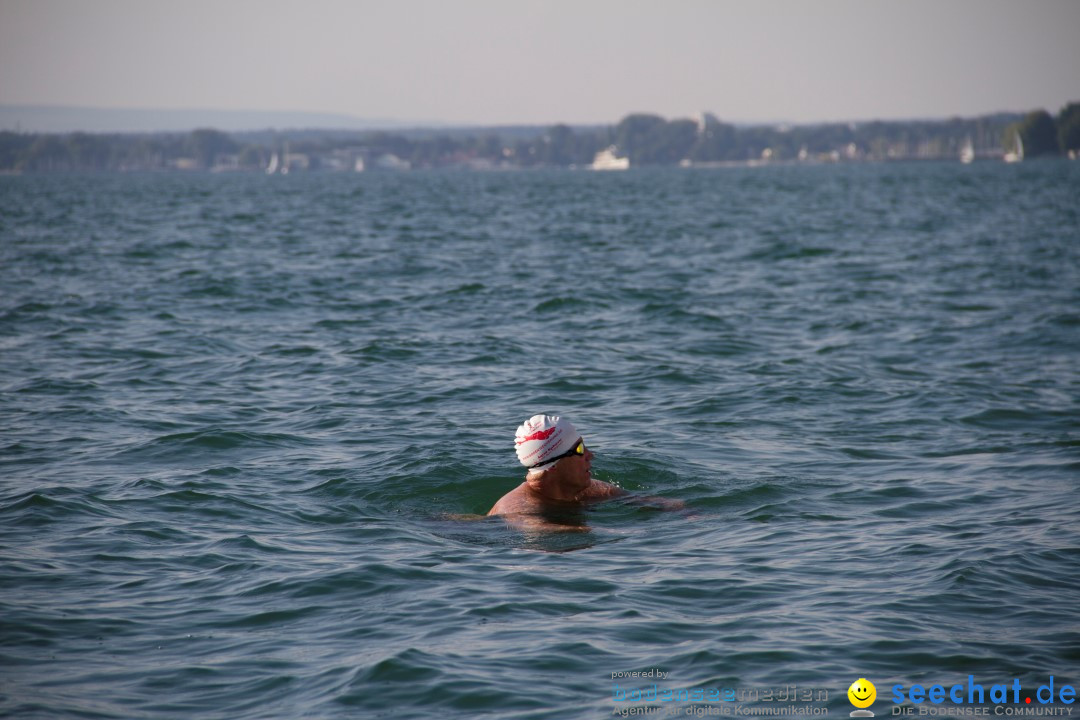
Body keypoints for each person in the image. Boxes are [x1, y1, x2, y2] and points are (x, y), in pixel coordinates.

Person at [488, 414, 682, 530]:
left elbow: (659, 503)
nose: (590, 455)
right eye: (580, 449)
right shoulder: (518, 510)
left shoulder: (591, 489)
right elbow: (541, 532)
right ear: (554, 464)